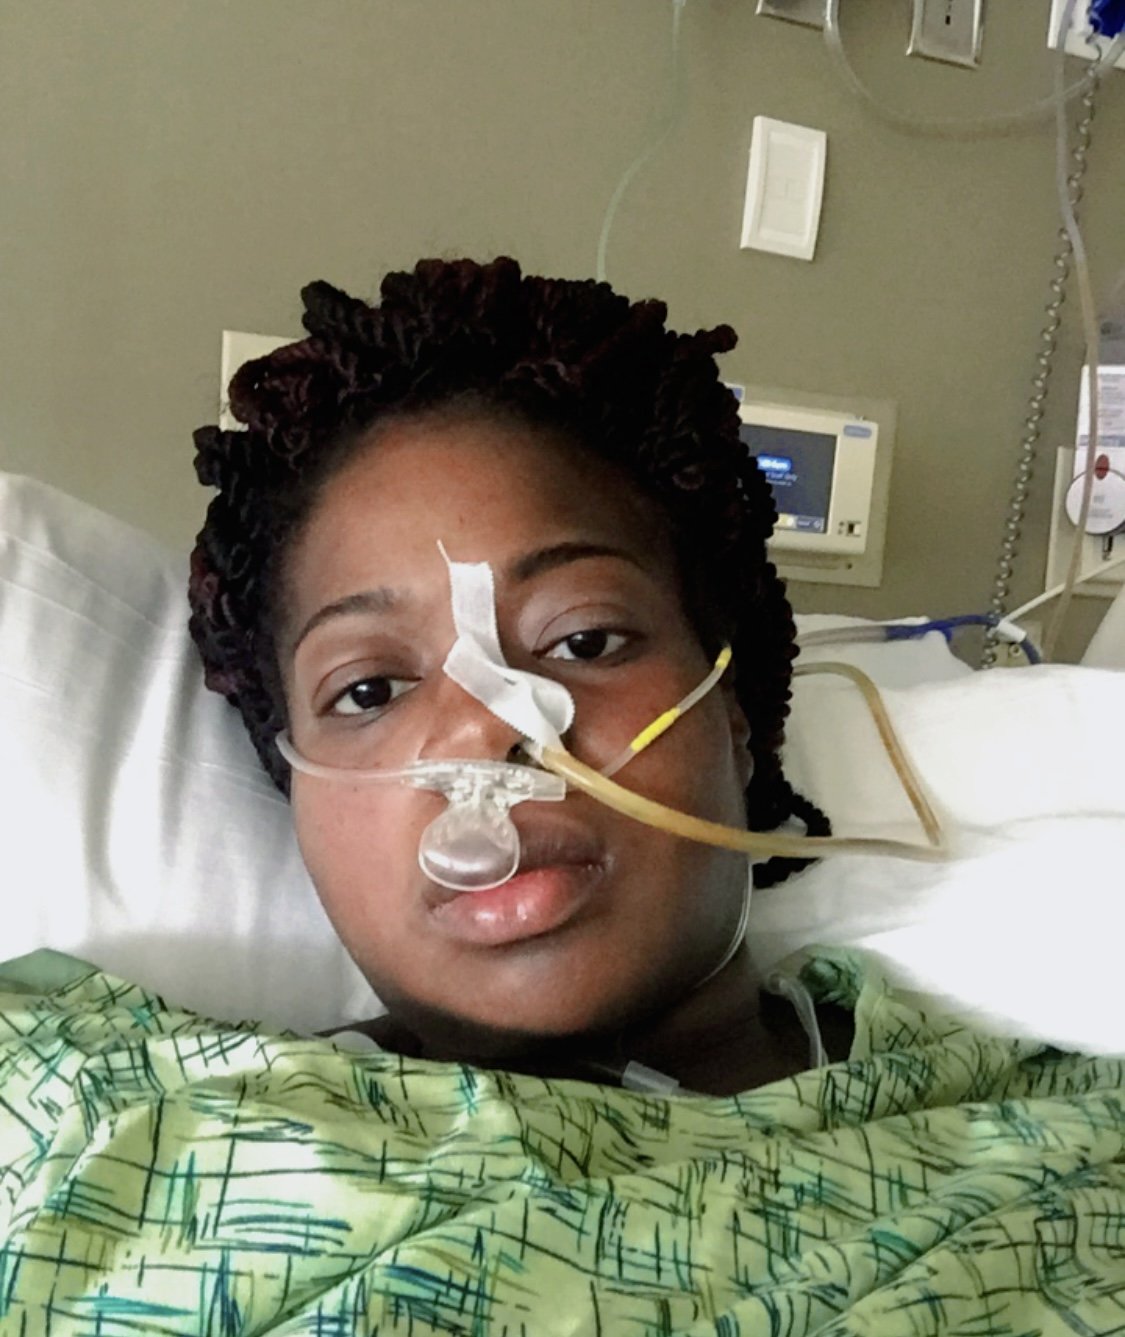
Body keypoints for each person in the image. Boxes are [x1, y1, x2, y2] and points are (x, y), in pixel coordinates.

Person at [187, 255, 838, 1096]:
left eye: (583, 640)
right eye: (368, 689)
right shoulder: (120, 1125)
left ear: (734, 709)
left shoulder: (1034, 1140)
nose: (482, 731)